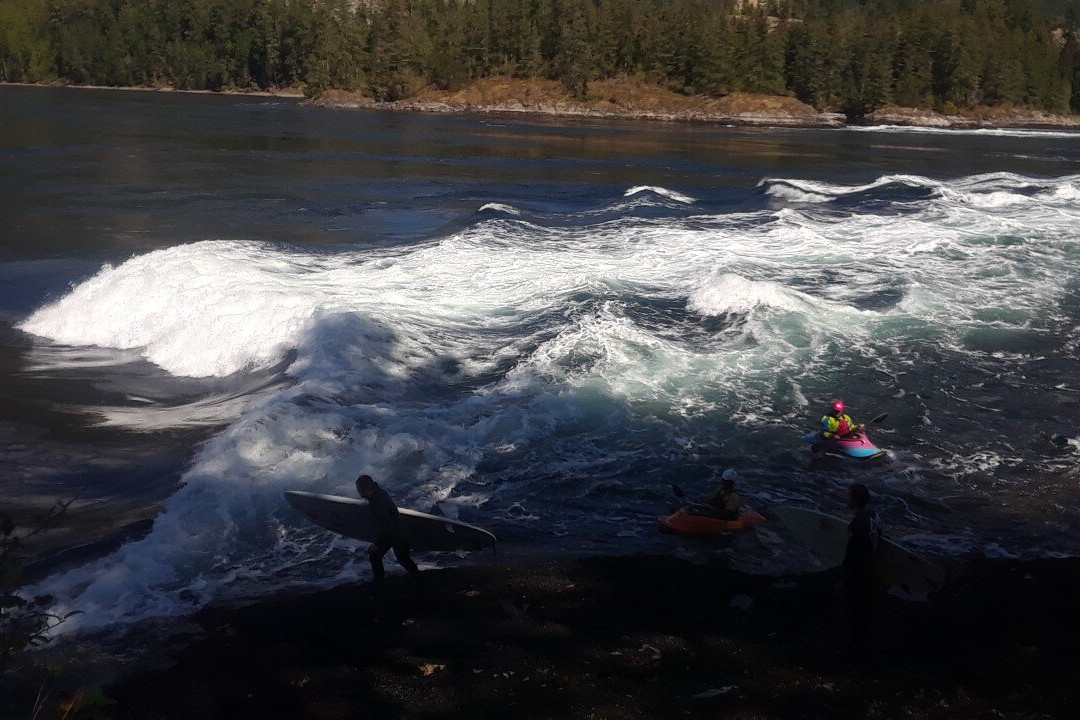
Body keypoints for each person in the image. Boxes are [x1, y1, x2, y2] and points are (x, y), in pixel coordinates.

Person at [355, 474, 423, 589]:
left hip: (397, 533)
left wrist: (376, 544)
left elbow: (388, 526)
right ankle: (418, 581)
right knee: (400, 559)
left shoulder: (376, 504)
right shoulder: (378, 491)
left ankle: (380, 585)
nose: (358, 492)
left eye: (359, 489)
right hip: (397, 529)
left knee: (379, 556)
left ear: (366, 489)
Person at [840, 482, 883, 649]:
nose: (846, 499)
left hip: (859, 573)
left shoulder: (857, 524)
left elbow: (852, 555)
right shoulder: (875, 515)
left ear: (855, 500)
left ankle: (855, 647)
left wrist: (843, 579)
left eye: (849, 496)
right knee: (865, 609)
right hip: (871, 567)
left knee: (854, 610)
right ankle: (865, 642)